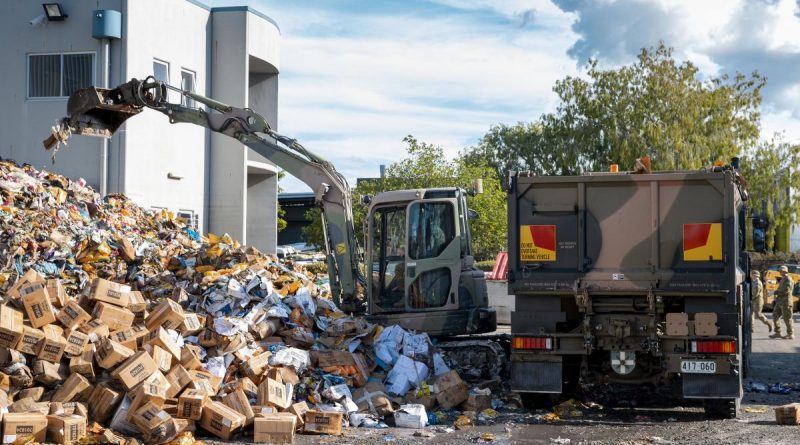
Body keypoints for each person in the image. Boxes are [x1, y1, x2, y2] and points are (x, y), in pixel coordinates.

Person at [770, 265, 794, 339]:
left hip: (786, 301)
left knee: (787, 318)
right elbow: (780, 289)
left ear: (786, 271)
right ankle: (778, 332)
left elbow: (786, 291)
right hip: (780, 301)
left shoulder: (788, 279)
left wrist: (777, 292)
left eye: (783, 271)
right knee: (775, 315)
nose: (781, 272)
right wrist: (775, 292)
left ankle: (790, 334)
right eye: (780, 271)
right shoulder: (783, 279)